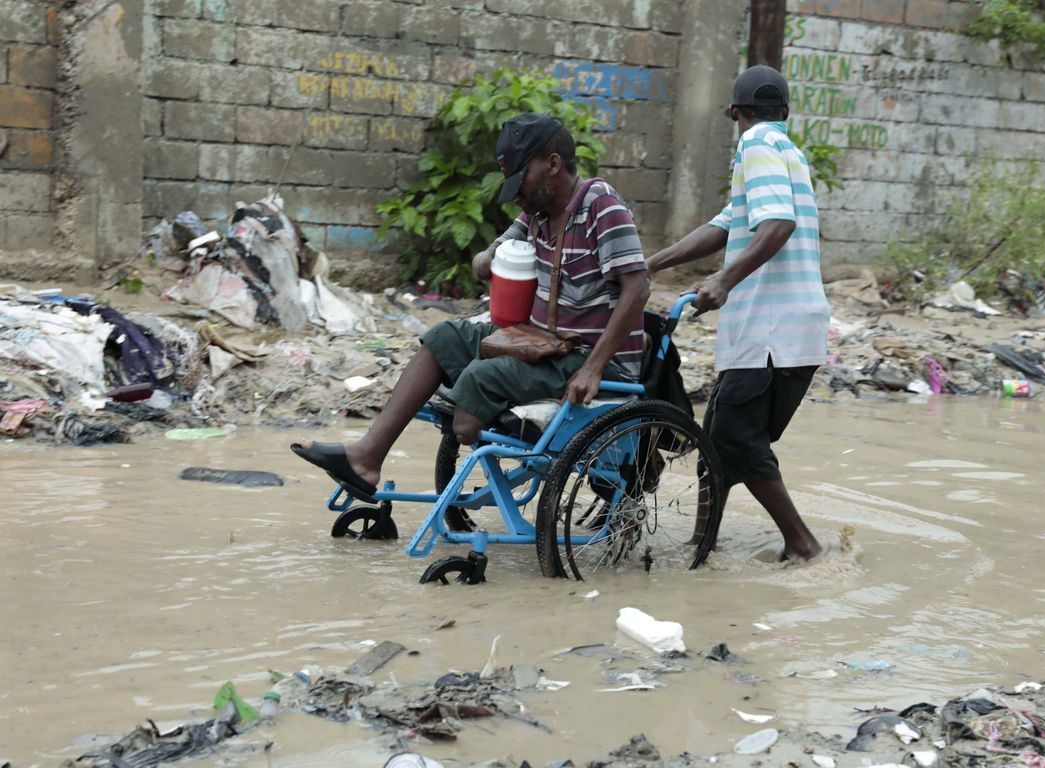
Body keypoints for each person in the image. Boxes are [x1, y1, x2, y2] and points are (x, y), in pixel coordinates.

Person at [293, 113, 650, 511]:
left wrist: (593, 368)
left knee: (481, 379)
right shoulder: (536, 215)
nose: (517, 195)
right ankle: (367, 458)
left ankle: (474, 431)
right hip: (546, 345)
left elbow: (638, 289)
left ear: (552, 164)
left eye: (522, 180)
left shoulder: (602, 207)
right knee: (444, 337)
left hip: (592, 356)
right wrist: (489, 258)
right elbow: (487, 257)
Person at [645, 65, 829, 561]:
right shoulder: (789, 153)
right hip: (798, 331)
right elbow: (727, 224)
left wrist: (724, 280)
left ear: (733, 113)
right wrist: (652, 264)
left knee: (734, 439)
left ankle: (802, 544)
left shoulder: (755, 147)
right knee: (720, 444)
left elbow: (777, 225)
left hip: (768, 333)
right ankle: (702, 543)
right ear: (785, 112)